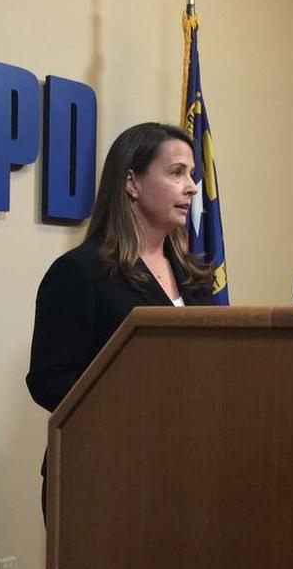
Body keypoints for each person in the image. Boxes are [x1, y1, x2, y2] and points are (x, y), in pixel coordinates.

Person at [26, 122, 214, 518]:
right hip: (103, 475)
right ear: (132, 181)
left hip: (184, 472)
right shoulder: (80, 272)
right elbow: (49, 380)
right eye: (177, 172)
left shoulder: (195, 279)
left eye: (192, 175)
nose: (192, 187)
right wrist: (135, 408)